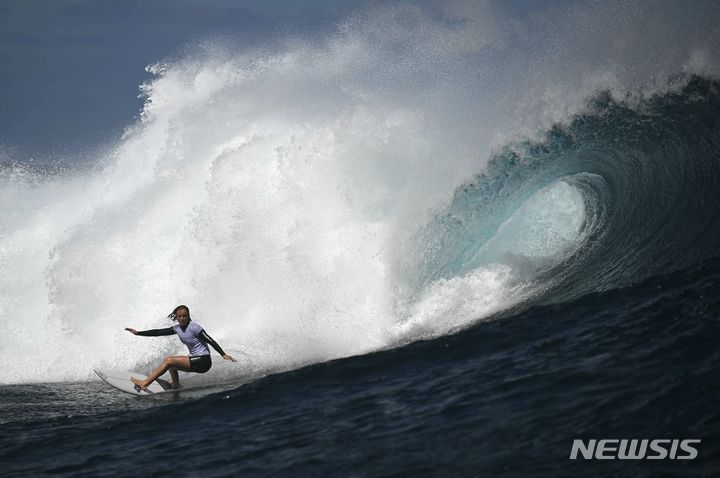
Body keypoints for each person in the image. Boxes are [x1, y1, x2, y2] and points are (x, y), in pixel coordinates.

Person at [125, 305, 236, 390]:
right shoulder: (177, 328)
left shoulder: (195, 328)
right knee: (171, 365)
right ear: (176, 317)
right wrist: (138, 333)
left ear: (188, 316)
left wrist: (223, 354)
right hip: (196, 360)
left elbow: (210, 340)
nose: (182, 318)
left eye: (184, 316)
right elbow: (158, 332)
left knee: (168, 360)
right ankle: (176, 384)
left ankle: (145, 383)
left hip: (203, 360)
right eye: (180, 316)